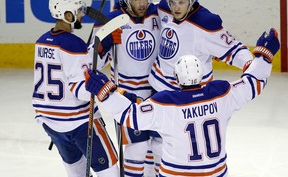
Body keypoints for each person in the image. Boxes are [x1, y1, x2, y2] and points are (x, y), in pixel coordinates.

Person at [84, 28, 280, 177]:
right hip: (216, 173)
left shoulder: (165, 104)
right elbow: (254, 82)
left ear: (177, 78)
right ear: (202, 75)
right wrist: (264, 56)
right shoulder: (222, 94)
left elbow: (130, 116)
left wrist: (106, 93)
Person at [32, 0, 119, 177]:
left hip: (51, 123)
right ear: (68, 15)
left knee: (76, 172)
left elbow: (72, 66)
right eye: (78, 11)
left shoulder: (41, 42)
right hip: (78, 123)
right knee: (110, 169)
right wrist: (106, 89)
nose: (81, 15)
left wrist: (97, 53)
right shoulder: (73, 44)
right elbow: (81, 90)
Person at [88, 0, 161, 176]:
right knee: (136, 148)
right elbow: (92, 60)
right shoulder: (112, 21)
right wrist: (105, 42)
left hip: (156, 93)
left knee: (158, 147)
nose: (142, 3)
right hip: (126, 96)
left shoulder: (158, 14)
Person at [148, 0, 254, 91]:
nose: (176, 7)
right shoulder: (164, 7)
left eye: (181, 2)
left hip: (190, 94)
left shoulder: (205, 24)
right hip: (157, 87)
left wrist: (250, 65)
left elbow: (235, 49)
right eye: (173, 2)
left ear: (191, 0)